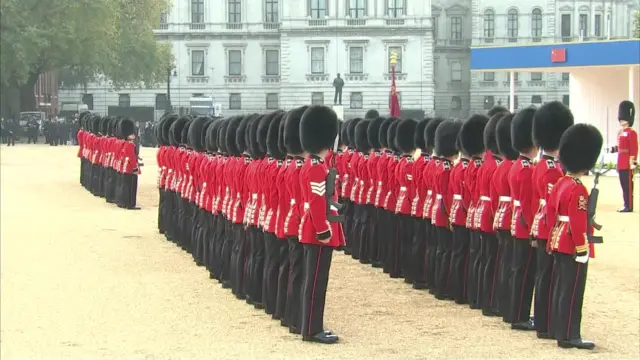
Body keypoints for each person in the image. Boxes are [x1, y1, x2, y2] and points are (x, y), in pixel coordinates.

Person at [547, 123, 603, 350]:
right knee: (572, 292)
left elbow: (551, 212)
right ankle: (570, 335)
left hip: (558, 238)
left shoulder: (561, 182)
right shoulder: (578, 189)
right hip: (572, 244)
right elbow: (578, 221)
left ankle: (560, 330)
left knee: (561, 287)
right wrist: (582, 248)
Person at [298, 105, 344, 344]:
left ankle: (312, 325)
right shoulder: (316, 168)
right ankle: (311, 329)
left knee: (316, 281)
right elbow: (317, 203)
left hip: (317, 229)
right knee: (316, 282)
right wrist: (324, 230)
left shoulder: (318, 165)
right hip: (317, 232)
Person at [530, 101, 574, 339]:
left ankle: (542, 320)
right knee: (548, 275)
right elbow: (553, 202)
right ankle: (544, 322)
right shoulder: (551, 169)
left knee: (544, 274)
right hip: (549, 226)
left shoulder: (543, 165)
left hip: (543, 223)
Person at [508, 107, 538, 331]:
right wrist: (534, 231)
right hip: (524, 225)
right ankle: (520, 316)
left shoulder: (517, 165)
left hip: (516, 221)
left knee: (519, 270)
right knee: (525, 273)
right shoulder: (527, 169)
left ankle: (515, 313)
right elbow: (529, 205)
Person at [608, 100, 637, 212]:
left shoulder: (632, 132)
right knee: (623, 185)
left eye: (623, 118)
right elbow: (620, 147)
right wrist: (612, 149)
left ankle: (629, 206)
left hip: (627, 163)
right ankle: (626, 204)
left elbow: (634, 149)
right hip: (621, 162)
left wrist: (633, 163)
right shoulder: (620, 132)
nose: (621, 120)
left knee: (628, 187)